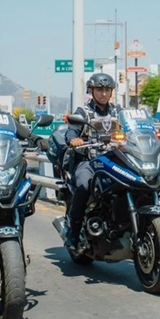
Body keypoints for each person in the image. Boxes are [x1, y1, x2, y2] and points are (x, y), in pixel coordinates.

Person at [64, 73, 123, 249]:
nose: (103, 93)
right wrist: (74, 139)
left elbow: (135, 128)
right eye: (99, 89)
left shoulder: (118, 112)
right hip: (89, 161)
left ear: (111, 92)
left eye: (107, 90)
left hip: (115, 160)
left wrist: (157, 137)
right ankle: (73, 233)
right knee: (84, 185)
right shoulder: (83, 112)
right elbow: (71, 131)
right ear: (91, 90)